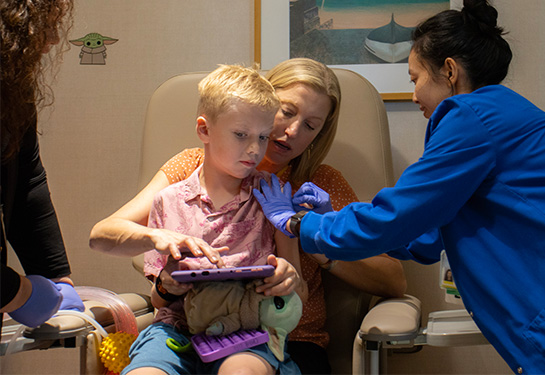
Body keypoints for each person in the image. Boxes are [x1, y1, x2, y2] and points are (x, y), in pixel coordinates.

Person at [253, 1, 545, 373]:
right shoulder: (502, 116)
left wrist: (300, 225)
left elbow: (395, 218)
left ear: (450, 71)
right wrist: (335, 218)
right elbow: (422, 236)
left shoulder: (471, 118)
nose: (414, 96)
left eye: (415, 79)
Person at [90, 58, 407, 374]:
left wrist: (313, 234)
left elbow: (392, 279)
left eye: (311, 126)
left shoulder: (318, 184)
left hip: (286, 337)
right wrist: (161, 248)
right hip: (186, 325)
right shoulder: (188, 170)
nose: (292, 132)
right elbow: (109, 231)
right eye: (286, 111)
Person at [122, 64, 305, 375]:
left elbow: (297, 289)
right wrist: (168, 284)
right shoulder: (168, 202)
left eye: (263, 137)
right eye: (240, 135)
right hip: (174, 328)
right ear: (204, 130)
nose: (254, 149)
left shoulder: (271, 198)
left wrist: (285, 277)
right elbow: (158, 301)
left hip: (246, 331)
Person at [1, 0, 84, 332]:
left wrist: (55, 276)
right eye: (44, 25)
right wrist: (19, 292)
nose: (52, 40)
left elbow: (27, 182)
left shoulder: (12, 88)